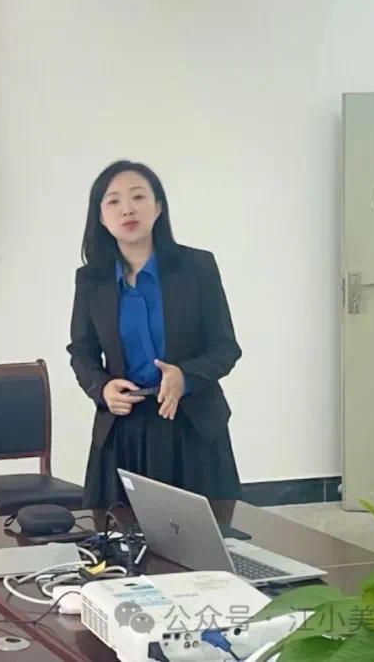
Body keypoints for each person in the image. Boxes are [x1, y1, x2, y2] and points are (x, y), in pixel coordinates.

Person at [67, 160, 242, 508]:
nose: (127, 209)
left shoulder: (197, 267)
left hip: (190, 424)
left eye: (138, 197)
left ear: (158, 207)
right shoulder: (91, 280)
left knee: (201, 534)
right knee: (118, 534)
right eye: (113, 201)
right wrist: (102, 388)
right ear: (101, 217)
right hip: (123, 427)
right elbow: (82, 352)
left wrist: (185, 376)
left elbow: (225, 347)